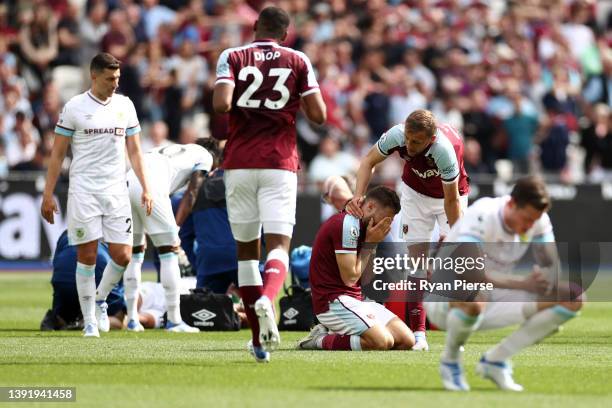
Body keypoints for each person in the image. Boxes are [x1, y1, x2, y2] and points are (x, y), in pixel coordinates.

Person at [212, 6, 326, 362]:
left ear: (254, 27)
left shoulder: (232, 56)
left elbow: (221, 104)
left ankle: (259, 342)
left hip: (240, 162)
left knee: (247, 251)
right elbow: (320, 116)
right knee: (279, 243)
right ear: (285, 34)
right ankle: (268, 297)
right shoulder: (297, 60)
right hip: (279, 162)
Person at [427, 176, 582, 391]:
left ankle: (495, 361)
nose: (529, 227)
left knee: (572, 298)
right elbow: (471, 274)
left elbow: (552, 266)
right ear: (511, 204)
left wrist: (547, 289)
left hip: (495, 297)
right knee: (473, 294)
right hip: (444, 300)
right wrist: (525, 284)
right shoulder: (483, 214)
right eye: (526, 219)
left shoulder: (538, 221)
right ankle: (450, 362)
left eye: (534, 221)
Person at [41, 52, 153, 338]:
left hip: (116, 190)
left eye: (117, 78)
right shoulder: (75, 107)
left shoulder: (125, 105)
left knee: (123, 255)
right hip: (84, 191)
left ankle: (101, 299)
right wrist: (48, 194)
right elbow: (57, 154)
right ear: (94, 76)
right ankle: (90, 320)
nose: (115, 83)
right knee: (87, 255)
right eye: (109, 78)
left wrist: (146, 187)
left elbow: (136, 151)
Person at [346, 109, 470, 351]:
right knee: (417, 264)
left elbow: (451, 200)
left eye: (417, 142)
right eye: (408, 138)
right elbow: (368, 161)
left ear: (430, 139)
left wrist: (456, 236)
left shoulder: (444, 150)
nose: (409, 146)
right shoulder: (397, 135)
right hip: (415, 194)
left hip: (452, 196)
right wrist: (358, 196)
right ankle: (419, 335)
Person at [108, 142, 213, 332]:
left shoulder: (178, 150)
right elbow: (192, 193)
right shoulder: (205, 157)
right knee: (169, 252)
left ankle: (132, 319)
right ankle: (174, 321)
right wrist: (177, 229)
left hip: (128, 181)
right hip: (150, 186)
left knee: (136, 252)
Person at [298, 186, 415, 352]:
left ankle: (335, 332)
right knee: (382, 342)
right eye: (386, 218)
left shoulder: (366, 229)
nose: (387, 224)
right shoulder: (347, 224)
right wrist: (369, 244)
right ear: (370, 207)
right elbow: (350, 278)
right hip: (331, 302)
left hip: (356, 299)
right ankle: (318, 340)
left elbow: (365, 279)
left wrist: (372, 244)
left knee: (407, 341)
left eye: (391, 220)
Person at [40, 230, 126, 331]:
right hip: (99, 277)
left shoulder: (67, 232)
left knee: (64, 303)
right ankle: (85, 321)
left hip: (65, 283)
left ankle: (59, 318)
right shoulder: (115, 230)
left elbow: (57, 268)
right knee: (118, 317)